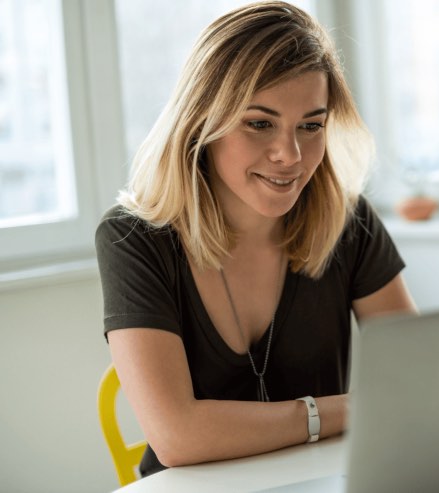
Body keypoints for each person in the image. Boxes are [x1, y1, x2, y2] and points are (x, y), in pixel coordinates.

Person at [95, 1, 416, 477]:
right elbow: (176, 436)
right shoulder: (133, 238)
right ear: (203, 121)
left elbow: (419, 382)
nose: (290, 154)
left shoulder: (349, 223)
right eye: (260, 123)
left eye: (311, 126)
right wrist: (344, 410)